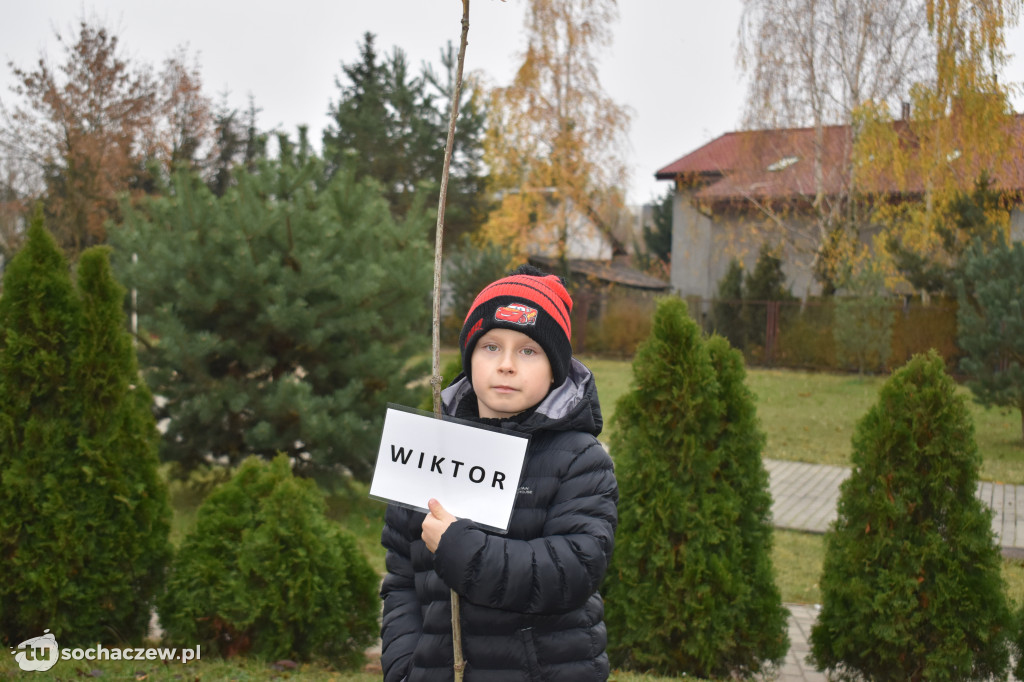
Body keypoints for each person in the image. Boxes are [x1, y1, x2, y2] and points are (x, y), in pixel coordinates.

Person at [379, 264, 619, 681]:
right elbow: (401, 574)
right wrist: (404, 665)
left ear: (555, 368)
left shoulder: (580, 460)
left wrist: (462, 549)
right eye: (491, 346)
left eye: (528, 351)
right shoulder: (428, 449)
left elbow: (573, 568)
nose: (506, 364)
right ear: (470, 355)